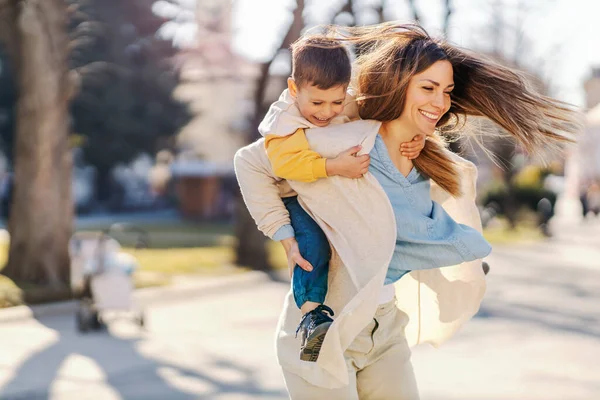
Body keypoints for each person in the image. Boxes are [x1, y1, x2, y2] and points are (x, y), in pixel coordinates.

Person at [235, 23, 579, 399]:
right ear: (399, 86)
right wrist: (282, 234)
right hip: (323, 335)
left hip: (384, 330)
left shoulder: (426, 160)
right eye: (428, 88)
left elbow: (414, 234)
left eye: (446, 91)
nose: (440, 102)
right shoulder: (343, 143)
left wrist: (465, 259)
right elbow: (250, 162)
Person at [259, 34, 427, 362]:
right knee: (312, 244)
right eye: (317, 103)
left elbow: (375, 128)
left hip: (338, 190)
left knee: (387, 219)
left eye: (336, 102)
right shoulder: (283, 122)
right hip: (299, 196)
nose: (327, 112)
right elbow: (285, 164)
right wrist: (334, 165)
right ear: (294, 90)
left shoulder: (347, 103)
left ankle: (437, 252)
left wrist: (411, 141)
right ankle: (311, 315)